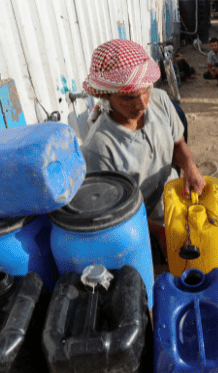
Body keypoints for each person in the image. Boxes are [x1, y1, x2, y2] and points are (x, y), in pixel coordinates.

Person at [80, 39, 206, 256]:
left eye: (145, 90)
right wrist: (159, 233)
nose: (141, 104)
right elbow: (114, 214)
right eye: (128, 97)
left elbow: (178, 142)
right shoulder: (98, 148)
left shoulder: (160, 100)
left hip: (172, 199)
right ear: (106, 94)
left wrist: (190, 167)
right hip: (137, 224)